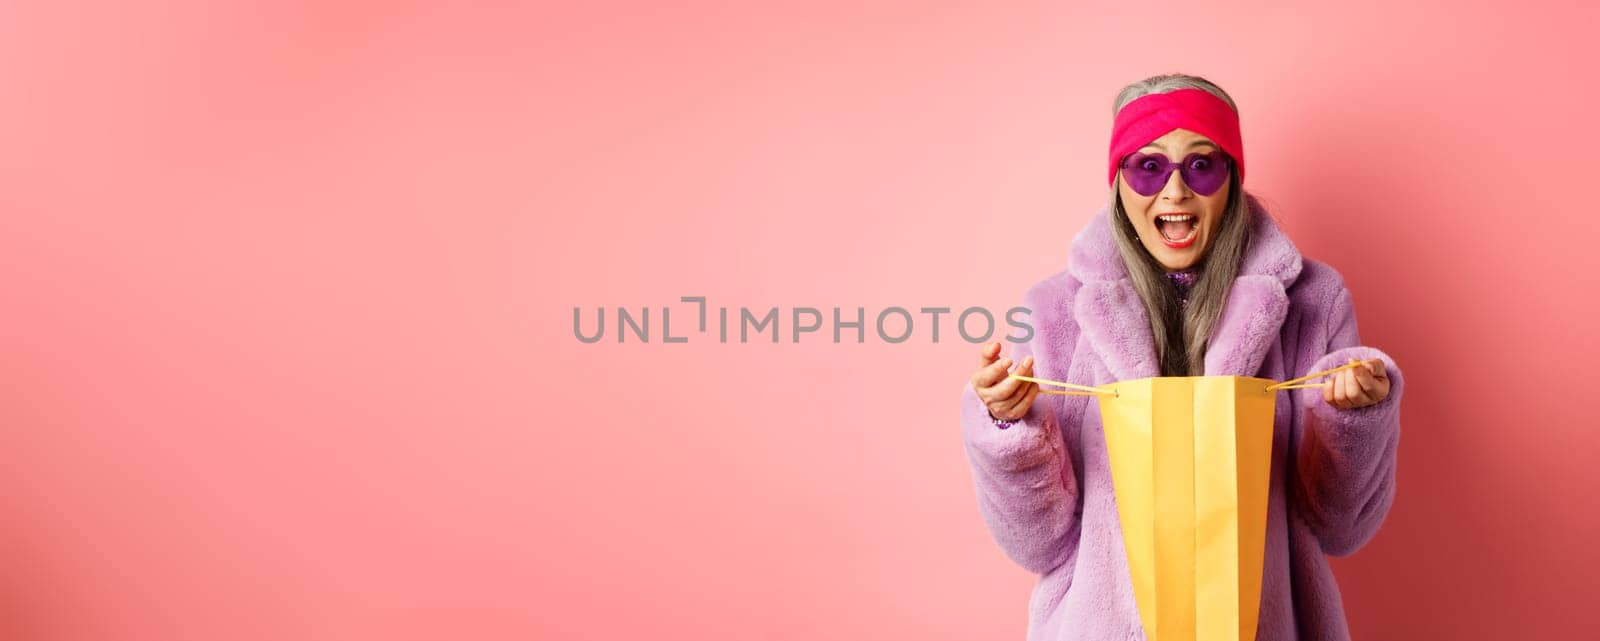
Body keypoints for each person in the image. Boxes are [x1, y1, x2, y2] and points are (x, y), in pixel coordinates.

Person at [959, 73, 1404, 640]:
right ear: (1118, 182)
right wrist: (1009, 427)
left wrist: (1354, 418)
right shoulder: (1054, 313)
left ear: (1232, 180)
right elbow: (1036, 542)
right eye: (1148, 167)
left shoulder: (1312, 304)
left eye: (1201, 165)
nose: (1174, 192)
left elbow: (1342, 528)